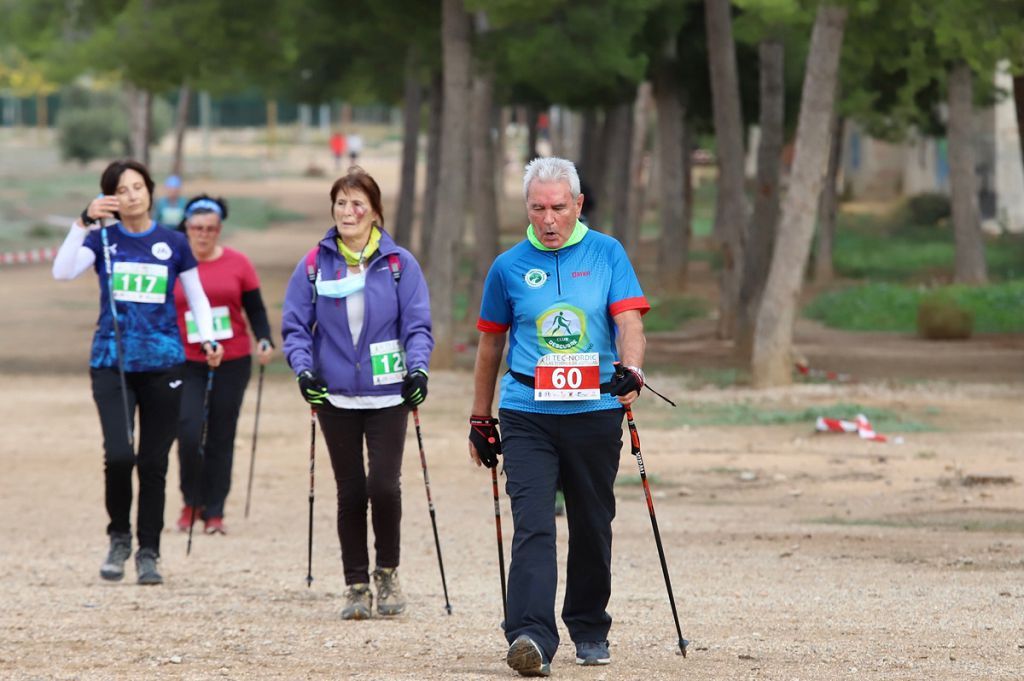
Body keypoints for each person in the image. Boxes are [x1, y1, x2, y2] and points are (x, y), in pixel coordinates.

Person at [468, 157, 649, 676]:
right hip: (527, 411)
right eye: (538, 208)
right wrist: (481, 418)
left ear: (578, 206)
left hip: (593, 409)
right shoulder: (507, 266)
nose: (548, 219)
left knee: (592, 522)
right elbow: (489, 346)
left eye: (558, 208)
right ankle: (529, 635)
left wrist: (631, 369)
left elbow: (628, 322)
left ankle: (589, 626)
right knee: (533, 523)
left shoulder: (607, 253)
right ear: (527, 207)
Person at [52, 159, 223, 586]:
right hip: (112, 363)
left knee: (152, 462)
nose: (132, 195)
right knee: (120, 454)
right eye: (121, 189)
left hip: (165, 361)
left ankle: (149, 551)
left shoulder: (174, 243)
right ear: (110, 197)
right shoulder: (102, 240)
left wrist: (208, 338)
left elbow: (198, 297)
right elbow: (62, 271)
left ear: (149, 190)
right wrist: (82, 221)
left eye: (137, 187)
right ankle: (119, 538)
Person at [281, 166, 433, 620]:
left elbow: (418, 325)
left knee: (384, 486)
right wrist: (303, 371)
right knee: (350, 492)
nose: (349, 211)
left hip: (388, 393)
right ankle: (355, 585)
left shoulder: (398, 264)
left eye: (357, 203)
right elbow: (295, 326)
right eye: (342, 203)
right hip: (335, 396)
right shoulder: (314, 263)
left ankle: (388, 572)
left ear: (374, 211)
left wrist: (419, 369)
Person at [172, 195, 275, 536]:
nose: (203, 235)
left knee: (220, 434)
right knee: (188, 431)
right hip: (186, 360)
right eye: (196, 228)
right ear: (186, 229)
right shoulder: (174, 262)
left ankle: (214, 510)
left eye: (210, 229)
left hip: (231, 359)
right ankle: (192, 501)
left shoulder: (238, 263)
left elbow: (255, 309)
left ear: (219, 230)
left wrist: (264, 338)